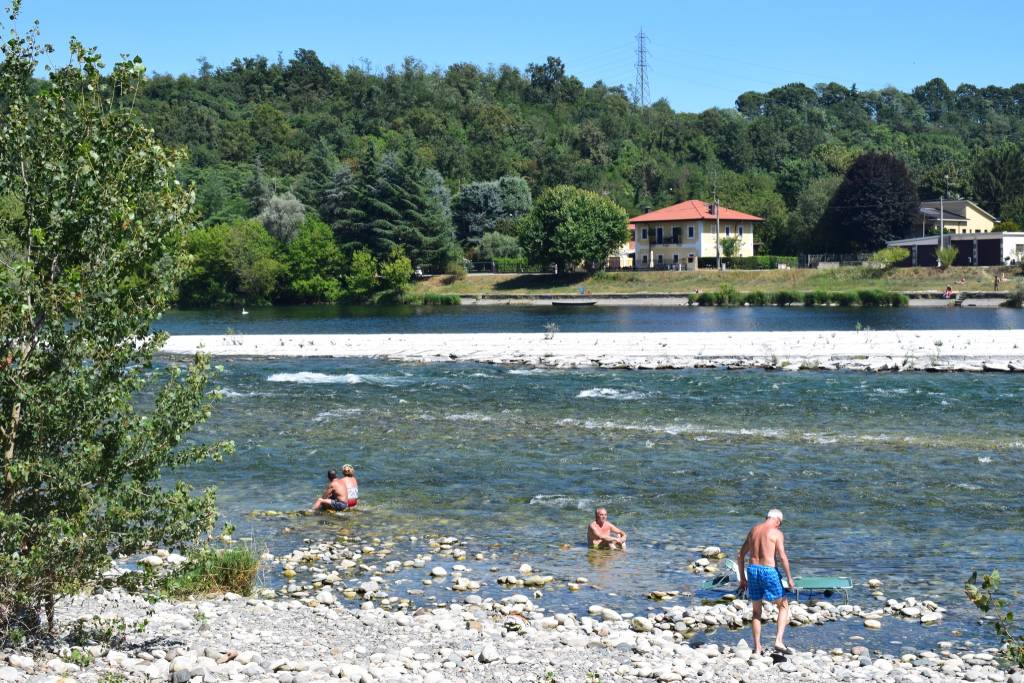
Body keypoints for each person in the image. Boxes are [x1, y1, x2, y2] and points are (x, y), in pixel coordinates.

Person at [737, 509, 794, 656]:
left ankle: (757, 647)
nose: (779, 526)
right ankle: (778, 641)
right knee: (783, 605)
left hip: (752, 570)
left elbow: (741, 555)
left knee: (756, 611)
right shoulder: (776, 533)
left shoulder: (754, 530)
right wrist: (789, 578)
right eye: (780, 524)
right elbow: (782, 557)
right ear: (778, 521)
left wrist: (742, 578)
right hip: (768, 571)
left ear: (766, 517)